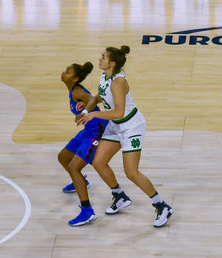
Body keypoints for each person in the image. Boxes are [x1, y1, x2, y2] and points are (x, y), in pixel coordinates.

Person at [76, 45, 173, 228]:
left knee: (131, 172)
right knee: (98, 162)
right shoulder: (105, 76)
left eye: (103, 57)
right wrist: (87, 107)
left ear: (112, 63)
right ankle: (119, 195)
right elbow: (99, 97)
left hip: (131, 127)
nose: (100, 59)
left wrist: (94, 115)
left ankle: (162, 206)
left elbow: (119, 112)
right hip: (116, 126)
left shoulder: (118, 83)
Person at [57, 61, 106, 225]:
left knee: (74, 167)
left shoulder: (77, 91)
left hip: (97, 129)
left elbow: (93, 99)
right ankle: (81, 182)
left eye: (68, 71)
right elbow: (90, 102)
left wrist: (85, 111)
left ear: (75, 78)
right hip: (88, 129)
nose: (64, 72)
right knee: (63, 157)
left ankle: (87, 211)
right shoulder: (73, 90)